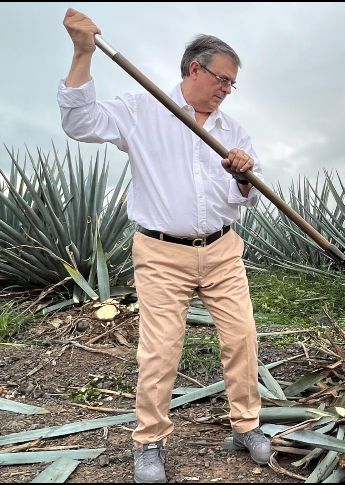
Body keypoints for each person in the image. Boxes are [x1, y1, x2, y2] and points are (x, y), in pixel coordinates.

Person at [59, 8, 272, 483]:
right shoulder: (143, 109)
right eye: (222, 79)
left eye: (232, 84)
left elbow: (248, 197)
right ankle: (149, 441)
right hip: (161, 253)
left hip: (222, 250)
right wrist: (82, 53)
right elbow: (79, 122)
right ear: (195, 68)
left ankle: (246, 426)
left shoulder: (232, 131)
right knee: (160, 349)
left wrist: (243, 176)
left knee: (242, 337)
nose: (227, 89)